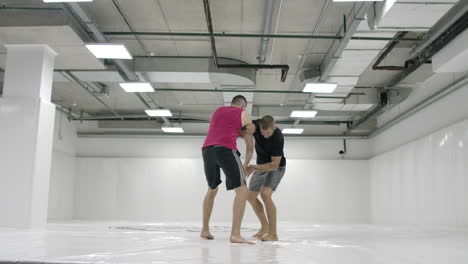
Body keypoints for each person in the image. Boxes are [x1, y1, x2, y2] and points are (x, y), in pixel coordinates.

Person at [200, 95, 255, 244]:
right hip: (225, 149)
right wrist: (245, 164)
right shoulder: (243, 113)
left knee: (212, 189)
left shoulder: (217, 111)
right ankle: (235, 234)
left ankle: (205, 230)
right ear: (243, 106)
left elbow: (221, 128)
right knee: (242, 190)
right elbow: (251, 137)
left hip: (207, 150)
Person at [246, 115, 286, 241]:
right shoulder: (255, 125)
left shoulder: (278, 138)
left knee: (265, 194)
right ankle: (265, 226)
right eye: (262, 133)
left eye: (268, 133)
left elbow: (274, 165)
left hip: (276, 167)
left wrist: (252, 168)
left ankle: (273, 234)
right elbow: (241, 124)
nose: (265, 136)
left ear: (274, 127)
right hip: (260, 165)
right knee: (250, 196)